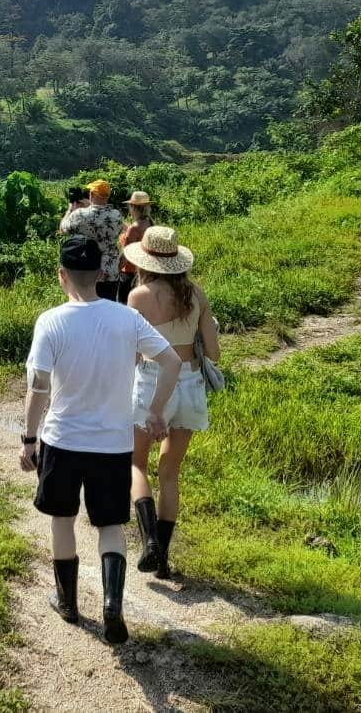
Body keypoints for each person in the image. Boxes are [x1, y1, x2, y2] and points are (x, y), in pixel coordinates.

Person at [19, 235, 181, 645]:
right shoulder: (125, 319)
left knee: (63, 520)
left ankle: (69, 603)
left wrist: (29, 438)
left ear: (61, 277)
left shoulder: (50, 321)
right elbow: (171, 360)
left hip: (63, 440)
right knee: (110, 526)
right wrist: (156, 411)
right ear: (103, 275)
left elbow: (38, 385)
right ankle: (112, 603)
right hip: (112, 443)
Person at [125, 226, 217, 581]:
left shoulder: (140, 297)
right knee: (170, 471)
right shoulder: (197, 294)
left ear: (145, 261)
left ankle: (149, 542)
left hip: (152, 380)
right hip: (191, 383)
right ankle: (162, 556)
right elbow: (214, 352)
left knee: (136, 463)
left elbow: (133, 355)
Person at [59, 180, 125, 301]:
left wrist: (70, 210)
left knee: (85, 307)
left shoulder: (79, 214)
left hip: (86, 272)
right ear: (107, 196)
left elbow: (63, 229)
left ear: (92, 194)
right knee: (108, 307)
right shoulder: (117, 215)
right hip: (110, 272)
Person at [117, 191, 154, 304]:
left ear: (133, 207)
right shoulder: (149, 222)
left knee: (124, 306)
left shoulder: (135, 227)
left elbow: (126, 255)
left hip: (129, 273)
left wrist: (116, 270)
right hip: (142, 271)